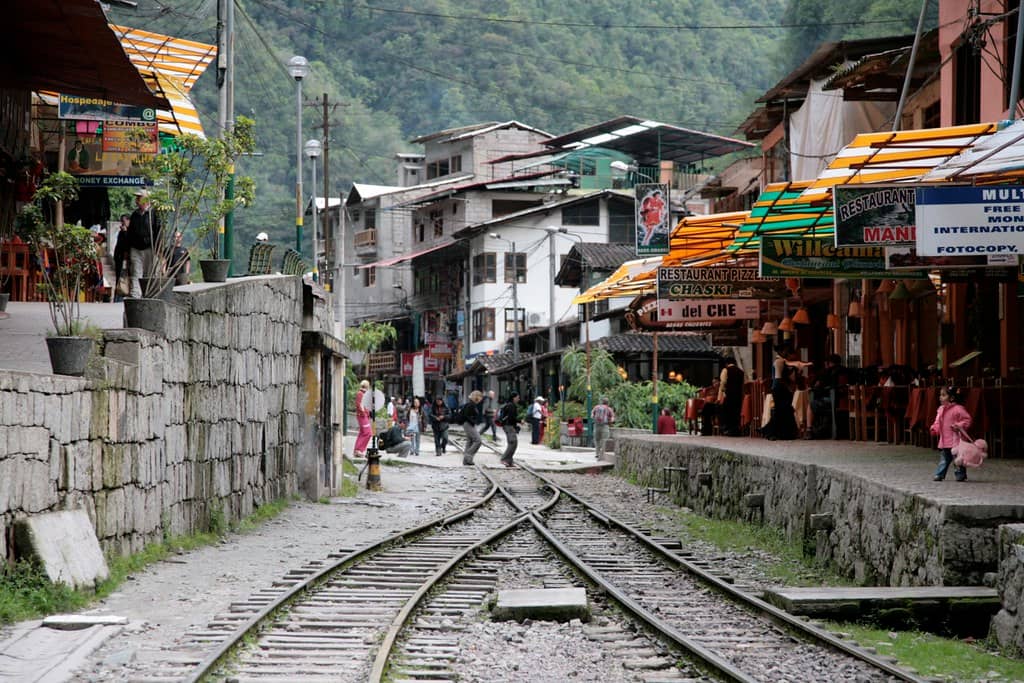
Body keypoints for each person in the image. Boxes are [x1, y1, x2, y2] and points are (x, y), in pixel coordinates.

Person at [930, 385, 972, 482]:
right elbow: (937, 422)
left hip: (956, 441)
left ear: (952, 398)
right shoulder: (940, 410)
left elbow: (967, 420)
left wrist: (959, 425)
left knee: (958, 459)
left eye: (943, 395)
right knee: (944, 459)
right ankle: (939, 474)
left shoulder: (958, 409)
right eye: (940, 395)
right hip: (944, 441)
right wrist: (935, 428)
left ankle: (961, 474)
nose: (940, 397)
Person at [127, 189, 162, 299]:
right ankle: (135, 296)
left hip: (150, 248)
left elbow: (159, 231)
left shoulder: (154, 214)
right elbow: (130, 232)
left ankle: (149, 296)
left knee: (150, 274)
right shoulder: (135, 215)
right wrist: (128, 248)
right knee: (136, 272)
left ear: (146, 200)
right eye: (137, 198)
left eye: (139, 197)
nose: (137, 200)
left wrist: (158, 248)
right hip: (136, 249)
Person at [762, 365, 799, 440]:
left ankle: (767, 430)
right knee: (781, 411)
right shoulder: (782, 382)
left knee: (781, 412)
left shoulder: (788, 381)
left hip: (785, 401)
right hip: (783, 399)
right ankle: (769, 431)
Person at [717, 357, 745, 436]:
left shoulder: (725, 370)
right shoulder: (741, 371)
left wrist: (720, 396)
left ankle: (728, 430)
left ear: (726, 363)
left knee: (728, 412)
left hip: (729, 395)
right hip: (738, 395)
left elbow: (723, 383)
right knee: (736, 412)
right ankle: (736, 430)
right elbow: (743, 385)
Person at [460, 390, 485, 466]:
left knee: (470, 441)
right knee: (478, 440)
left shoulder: (472, 404)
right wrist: (474, 421)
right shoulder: (471, 405)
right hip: (468, 424)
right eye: (480, 397)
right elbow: (467, 415)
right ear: (476, 397)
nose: (481, 399)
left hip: (468, 424)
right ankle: (468, 455)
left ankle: (466, 461)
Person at [497, 392, 521, 467]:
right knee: (513, 442)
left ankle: (509, 461)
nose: (519, 399)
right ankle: (504, 459)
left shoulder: (510, 405)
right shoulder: (511, 406)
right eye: (518, 397)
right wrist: (520, 421)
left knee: (513, 443)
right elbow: (511, 417)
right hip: (508, 426)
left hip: (509, 425)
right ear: (514, 398)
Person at [112, 213, 131, 302]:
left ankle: (124, 295)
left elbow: (128, 243)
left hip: (126, 258)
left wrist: (126, 232)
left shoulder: (130, 231)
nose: (122, 223)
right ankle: (117, 296)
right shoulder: (121, 232)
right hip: (119, 257)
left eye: (124, 221)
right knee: (119, 277)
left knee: (125, 277)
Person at [353, 379, 373, 457]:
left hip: (364, 416)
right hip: (362, 416)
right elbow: (359, 405)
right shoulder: (360, 394)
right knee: (368, 433)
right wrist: (364, 413)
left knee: (362, 433)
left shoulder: (363, 394)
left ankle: (357, 450)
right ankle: (359, 449)